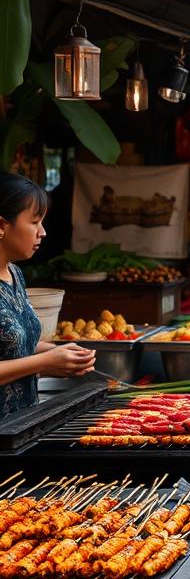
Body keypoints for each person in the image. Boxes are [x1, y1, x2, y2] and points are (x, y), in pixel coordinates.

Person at [0, 174, 95, 419]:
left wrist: (62, 354)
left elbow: (12, 345)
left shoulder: (14, 274)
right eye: (34, 222)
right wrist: (45, 362)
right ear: (1, 226)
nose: (42, 232)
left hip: (21, 425)